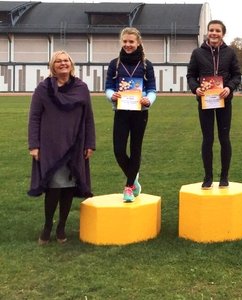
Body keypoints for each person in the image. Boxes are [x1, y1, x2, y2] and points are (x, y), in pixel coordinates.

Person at [28, 50, 96, 244]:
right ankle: (47, 226)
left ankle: (61, 228)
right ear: (53, 66)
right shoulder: (43, 89)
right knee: (54, 188)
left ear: (71, 64)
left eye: (66, 61)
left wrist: (90, 143)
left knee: (68, 188)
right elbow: (34, 117)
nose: (63, 64)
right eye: (58, 61)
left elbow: (89, 117)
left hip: (76, 145)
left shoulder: (81, 88)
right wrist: (34, 145)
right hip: (51, 146)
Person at [186, 20, 241, 189]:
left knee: (224, 138)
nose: (214, 33)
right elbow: (190, 75)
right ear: (207, 32)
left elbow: (236, 76)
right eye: (211, 30)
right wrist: (196, 89)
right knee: (207, 139)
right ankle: (208, 176)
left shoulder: (230, 53)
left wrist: (229, 87)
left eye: (217, 30)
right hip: (205, 101)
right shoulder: (197, 53)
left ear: (223, 34)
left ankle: (224, 176)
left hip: (224, 100)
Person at [105, 27, 156, 202]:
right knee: (118, 150)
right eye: (125, 41)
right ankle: (134, 177)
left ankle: (128, 187)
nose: (128, 45)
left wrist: (148, 100)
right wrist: (111, 95)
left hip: (139, 113)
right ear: (121, 42)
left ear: (138, 42)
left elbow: (152, 90)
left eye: (131, 42)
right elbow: (109, 87)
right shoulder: (115, 64)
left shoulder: (146, 65)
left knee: (135, 149)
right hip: (121, 111)